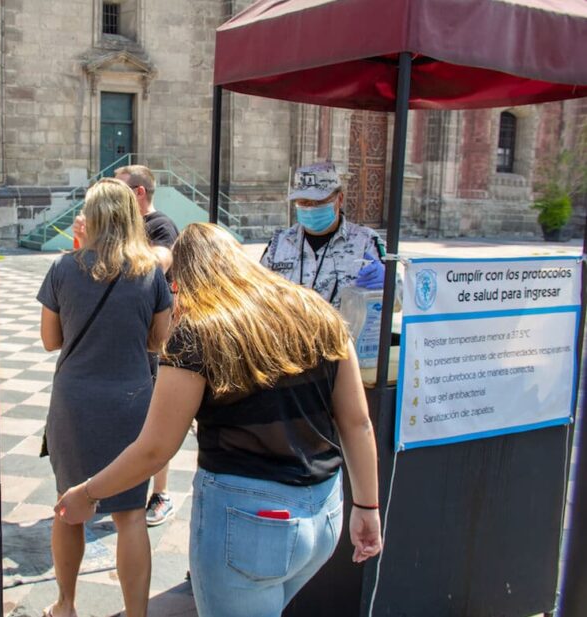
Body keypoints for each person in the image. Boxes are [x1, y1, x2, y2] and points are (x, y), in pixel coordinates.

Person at [56, 223, 383, 617]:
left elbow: (156, 448)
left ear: (186, 279)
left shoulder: (199, 332)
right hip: (324, 515)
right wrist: (367, 507)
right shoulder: (317, 312)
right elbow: (357, 422)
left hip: (250, 522)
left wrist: (88, 493)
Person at [38, 178, 173, 617]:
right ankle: (136, 613)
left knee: (69, 505)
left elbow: (49, 340)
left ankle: (66, 604)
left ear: (90, 217)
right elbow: (160, 342)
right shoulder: (150, 271)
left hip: (75, 401)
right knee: (131, 514)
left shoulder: (63, 268)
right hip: (133, 399)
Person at [114, 164, 180, 527]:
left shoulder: (160, 226)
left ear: (139, 193)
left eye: (121, 191)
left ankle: (161, 493)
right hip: (129, 333)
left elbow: (159, 261)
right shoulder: (127, 227)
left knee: (156, 416)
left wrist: (117, 245)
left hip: (156, 338)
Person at [260, 161, 386, 309]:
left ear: (339, 199)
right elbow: (258, 292)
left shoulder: (366, 242)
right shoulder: (279, 243)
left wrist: (389, 286)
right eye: (304, 202)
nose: (310, 208)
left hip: (343, 331)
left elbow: (397, 301)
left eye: (319, 201)